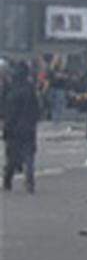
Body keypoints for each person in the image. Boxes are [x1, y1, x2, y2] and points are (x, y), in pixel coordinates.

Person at [3, 62, 39, 193]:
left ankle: (7, 181)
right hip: (28, 127)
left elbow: (9, 111)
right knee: (29, 155)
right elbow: (37, 109)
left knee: (12, 156)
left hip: (14, 128)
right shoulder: (30, 89)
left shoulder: (12, 90)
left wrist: (6, 127)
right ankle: (30, 180)